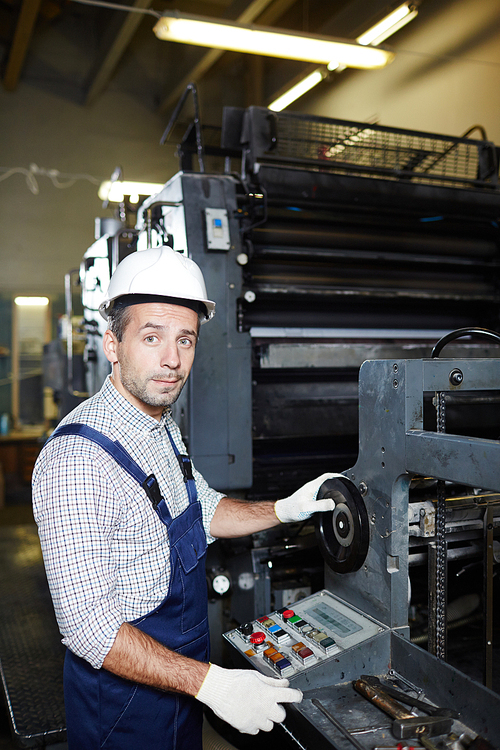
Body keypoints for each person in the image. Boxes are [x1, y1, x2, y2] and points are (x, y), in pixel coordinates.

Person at [32, 246, 335, 750]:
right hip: (122, 706)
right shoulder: (77, 462)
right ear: (112, 344)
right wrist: (210, 683)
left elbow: (201, 508)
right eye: (151, 338)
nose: (172, 360)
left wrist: (282, 509)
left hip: (178, 681)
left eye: (185, 340)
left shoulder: (160, 426)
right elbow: (89, 628)